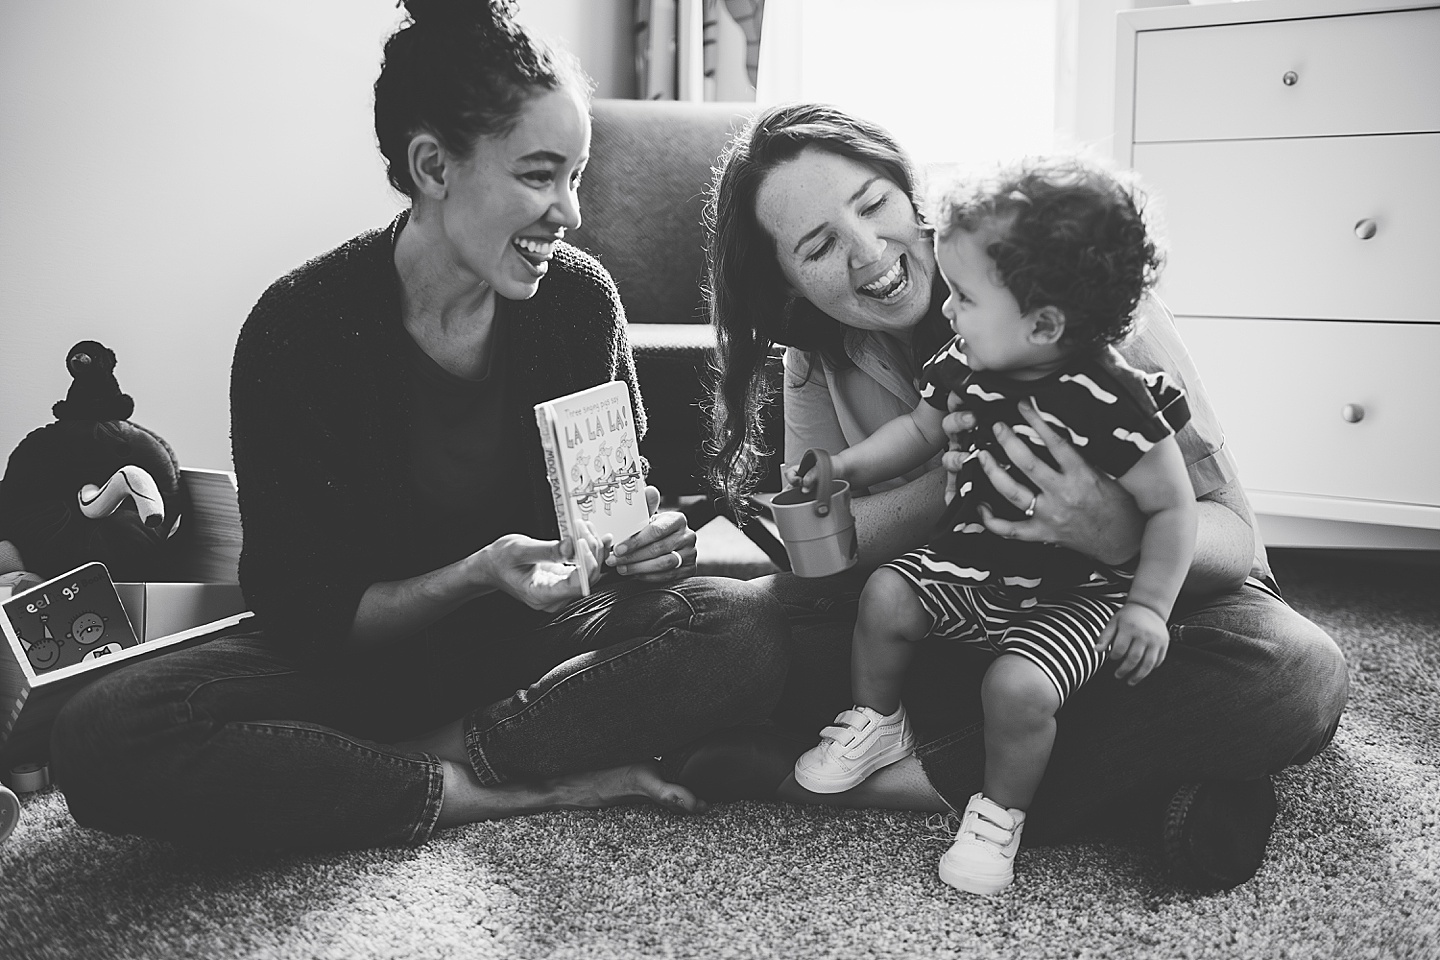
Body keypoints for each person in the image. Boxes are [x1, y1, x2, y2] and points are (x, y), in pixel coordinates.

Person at [47, 0, 790, 851]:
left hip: (528, 648)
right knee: (101, 734)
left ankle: (380, 772)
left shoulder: (580, 304)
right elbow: (304, 617)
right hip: (353, 666)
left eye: (577, 176)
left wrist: (647, 546)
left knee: (744, 629)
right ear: (435, 165)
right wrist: (474, 573)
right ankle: (508, 786)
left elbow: (607, 534)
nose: (571, 212)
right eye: (541, 175)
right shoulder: (299, 328)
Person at [693, 102, 1349, 892]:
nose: (869, 254)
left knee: (1293, 672)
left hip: (1133, 605)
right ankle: (1149, 780)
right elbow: (830, 562)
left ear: (912, 193)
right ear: (787, 280)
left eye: (873, 206)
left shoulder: (1075, 304)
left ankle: (908, 789)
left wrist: (1116, 535)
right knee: (762, 631)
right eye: (821, 245)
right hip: (964, 597)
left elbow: (1232, 542)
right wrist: (924, 486)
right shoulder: (818, 355)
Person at [788, 156, 1198, 895]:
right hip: (972, 565)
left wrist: (1148, 608)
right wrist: (842, 467)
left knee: (1017, 690)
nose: (948, 310)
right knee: (884, 595)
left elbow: (1175, 507)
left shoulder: (1118, 402)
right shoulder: (963, 364)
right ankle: (880, 720)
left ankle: (999, 814)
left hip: (1074, 596)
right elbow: (916, 434)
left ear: (1044, 323)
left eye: (966, 296)